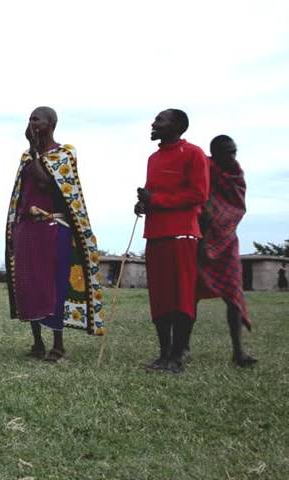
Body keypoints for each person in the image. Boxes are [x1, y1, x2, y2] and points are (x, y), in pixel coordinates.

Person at [6, 107, 105, 362]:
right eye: (29, 118)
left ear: (51, 123)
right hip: (27, 228)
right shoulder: (27, 156)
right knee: (29, 285)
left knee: (53, 286)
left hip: (53, 228)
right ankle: (37, 343)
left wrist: (35, 151)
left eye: (36, 118)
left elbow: (46, 184)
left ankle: (58, 346)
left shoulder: (65, 153)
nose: (31, 122)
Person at [135, 109, 209, 373]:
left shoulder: (194, 154)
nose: (153, 123)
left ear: (177, 125)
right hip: (155, 235)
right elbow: (154, 194)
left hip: (182, 235)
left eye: (160, 120)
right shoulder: (153, 158)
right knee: (161, 297)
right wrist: (144, 203)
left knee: (181, 296)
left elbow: (198, 194)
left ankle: (177, 357)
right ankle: (163, 354)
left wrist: (157, 200)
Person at [195, 135, 256, 366]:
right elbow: (196, 197)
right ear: (214, 153)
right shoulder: (204, 169)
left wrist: (218, 222)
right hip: (199, 239)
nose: (231, 157)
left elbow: (236, 207)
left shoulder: (236, 175)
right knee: (192, 296)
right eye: (226, 153)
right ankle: (183, 347)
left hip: (226, 241)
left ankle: (238, 351)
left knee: (233, 294)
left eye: (233, 152)